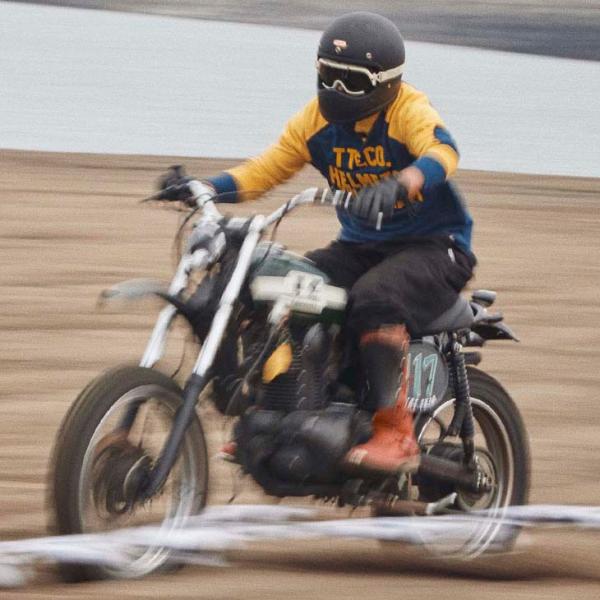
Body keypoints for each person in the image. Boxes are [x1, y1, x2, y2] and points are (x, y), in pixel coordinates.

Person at [177, 12, 475, 475]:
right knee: (283, 288)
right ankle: (278, 413)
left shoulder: (407, 111)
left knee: (375, 299)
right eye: (328, 75)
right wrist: (205, 188)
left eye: (351, 81)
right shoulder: (314, 122)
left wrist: (404, 182)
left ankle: (396, 434)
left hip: (436, 246)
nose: (336, 89)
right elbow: (266, 169)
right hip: (360, 248)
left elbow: (443, 150)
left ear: (386, 82)